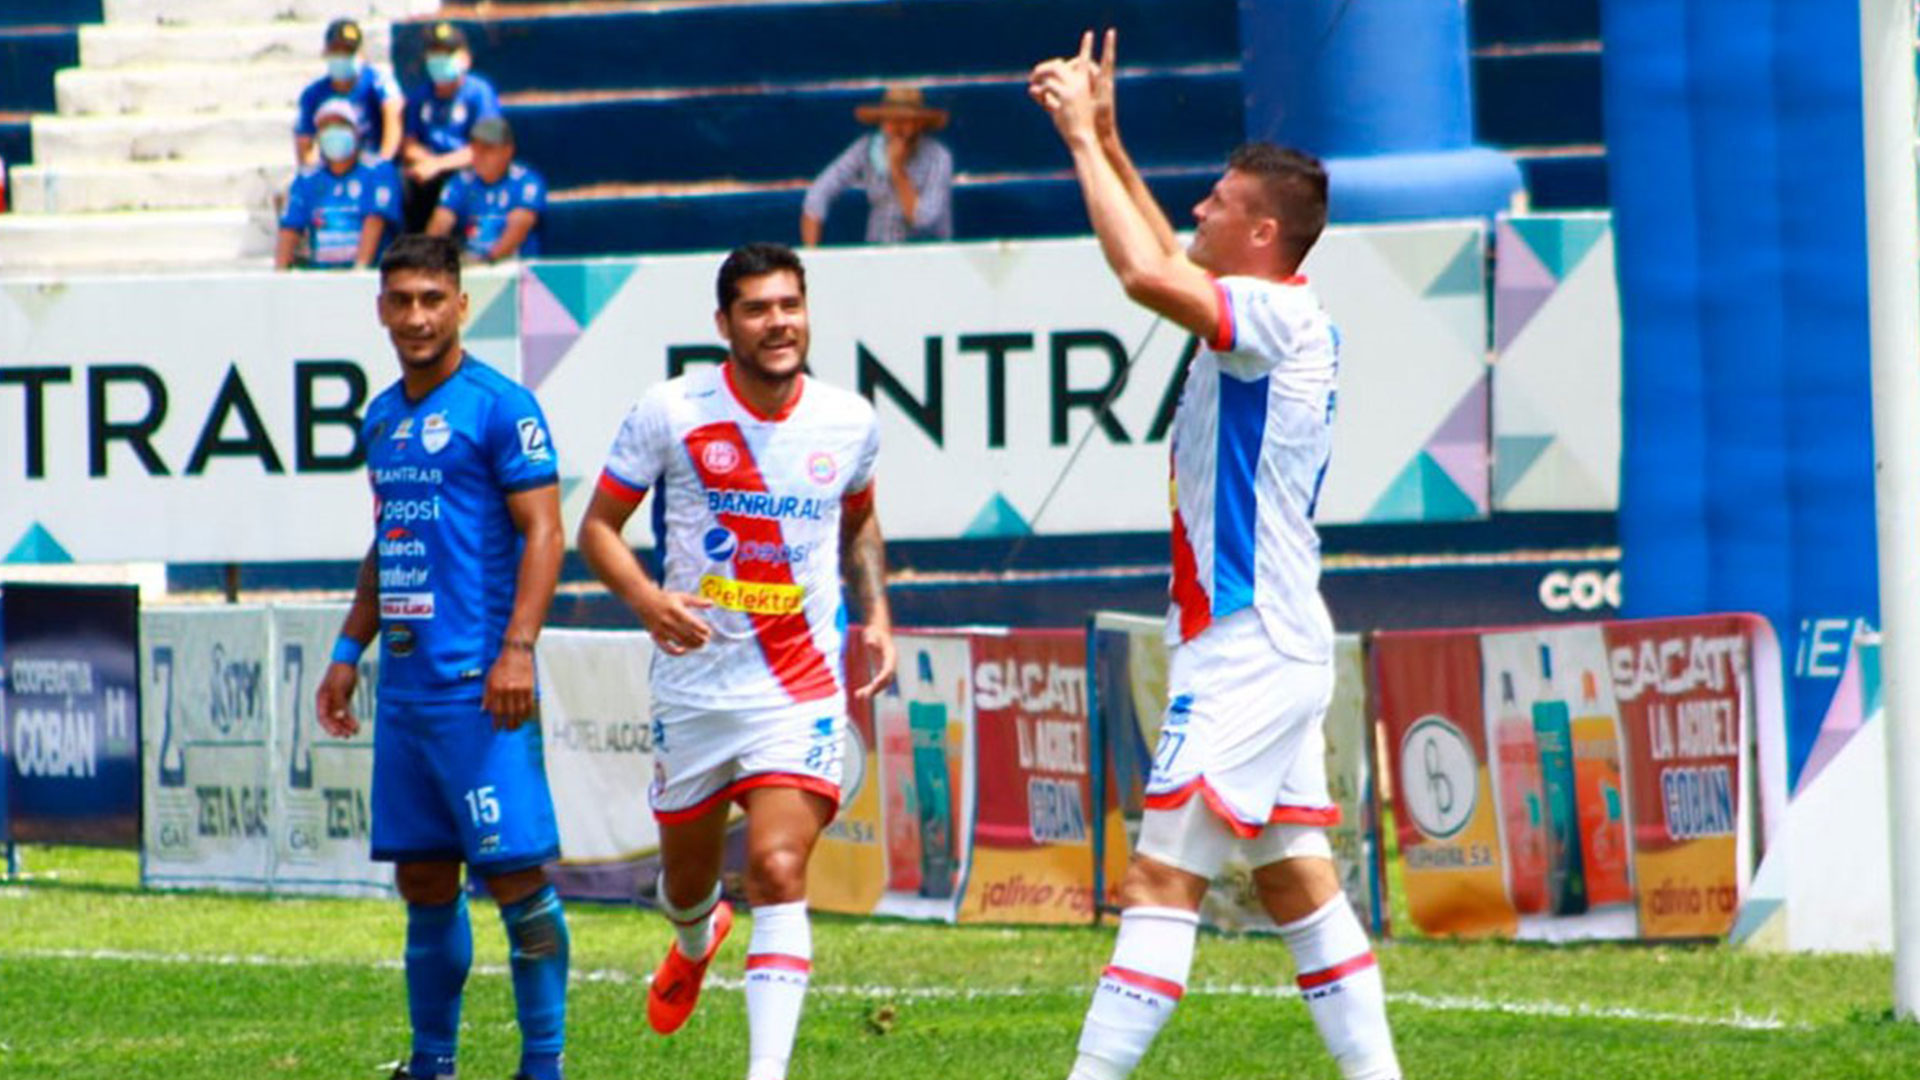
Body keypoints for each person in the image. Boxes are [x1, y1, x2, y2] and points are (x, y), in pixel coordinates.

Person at [1029, 31, 1402, 1080]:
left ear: (1264, 232)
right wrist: (1111, 141)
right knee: (1295, 883)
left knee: (1159, 881)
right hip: (1264, 638)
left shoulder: (1275, 316)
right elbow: (1167, 253)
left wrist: (1078, 141)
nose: (1199, 209)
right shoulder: (1274, 312)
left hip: (1247, 644)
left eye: (1220, 202)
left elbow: (1143, 274)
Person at [576, 242, 896, 1080]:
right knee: (685, 887)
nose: (777, 323)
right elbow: (596, 529)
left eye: (790, 305)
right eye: (757, 309)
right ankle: (696, 937)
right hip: (695, 689)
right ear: (724, 324)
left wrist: (878, 614)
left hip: (799, 687)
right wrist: (647, 600)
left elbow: (859, 519)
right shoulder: (672, 410)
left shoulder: (849, 421)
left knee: (778, 866)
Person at [316, 234, 570, 1080]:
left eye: (433, 299)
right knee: (424, 881)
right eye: (402, 300)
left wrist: (517, 650)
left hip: (481, 691)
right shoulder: (382, 418)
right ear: (381, 310)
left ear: (462, 305)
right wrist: (348, 649)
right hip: (406, 694)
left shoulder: (501, 408)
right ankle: (432, 1063)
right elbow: (387, 541)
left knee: (518, 883)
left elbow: (546, 532)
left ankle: (543, 1067)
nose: (417, 316)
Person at [800, 85, 953, 245]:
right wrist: (813, 253)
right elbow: (819, 193)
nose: (897, 127)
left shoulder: (938, 158)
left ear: (919, 124)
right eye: (891, 120)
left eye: (904, 121)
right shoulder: (866, 149)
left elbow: (922, 219)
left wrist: (897, 170)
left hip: (926, 252)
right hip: (878, 249)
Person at [275, 98, 403, 271]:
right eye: (326, 126)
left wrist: (359, 270)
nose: (333, 132)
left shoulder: (377, 171)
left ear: (356, 132)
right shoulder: (307, 178)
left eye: (341, 125)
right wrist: (279, 274)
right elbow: (290, 227)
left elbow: (375, 220)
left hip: (369, 273)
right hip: (321, 272)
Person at [401, 21, 503, 233]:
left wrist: (439, 164)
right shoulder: (421, 96)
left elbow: (484, 147)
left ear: (465, 58)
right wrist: (426, 162)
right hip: (428, 168)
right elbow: (409, 143)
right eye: (435, 54)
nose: (440, 60)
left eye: (448, 53)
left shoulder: (479, 92)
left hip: (465, 168)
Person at [427, 117, 546, 264]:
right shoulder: (461, 182)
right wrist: (431, 259)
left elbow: (518, 229)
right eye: (475, 148)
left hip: (516, 266)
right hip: (469, 265)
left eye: (488, 149)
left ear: (508, 151)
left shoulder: (526, 182)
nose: (480, 155)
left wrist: (485, 262)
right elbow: (440, 224)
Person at [293, 17, 403, 166]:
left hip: (372, 164)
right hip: (334, 169)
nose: (342, 56)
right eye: (336, 50)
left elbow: (393, 119)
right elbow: (304, 144)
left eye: (348, 51)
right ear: (326, 52)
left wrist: (381, 166)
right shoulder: (313, 94)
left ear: (361, 54)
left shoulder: (377, 83)